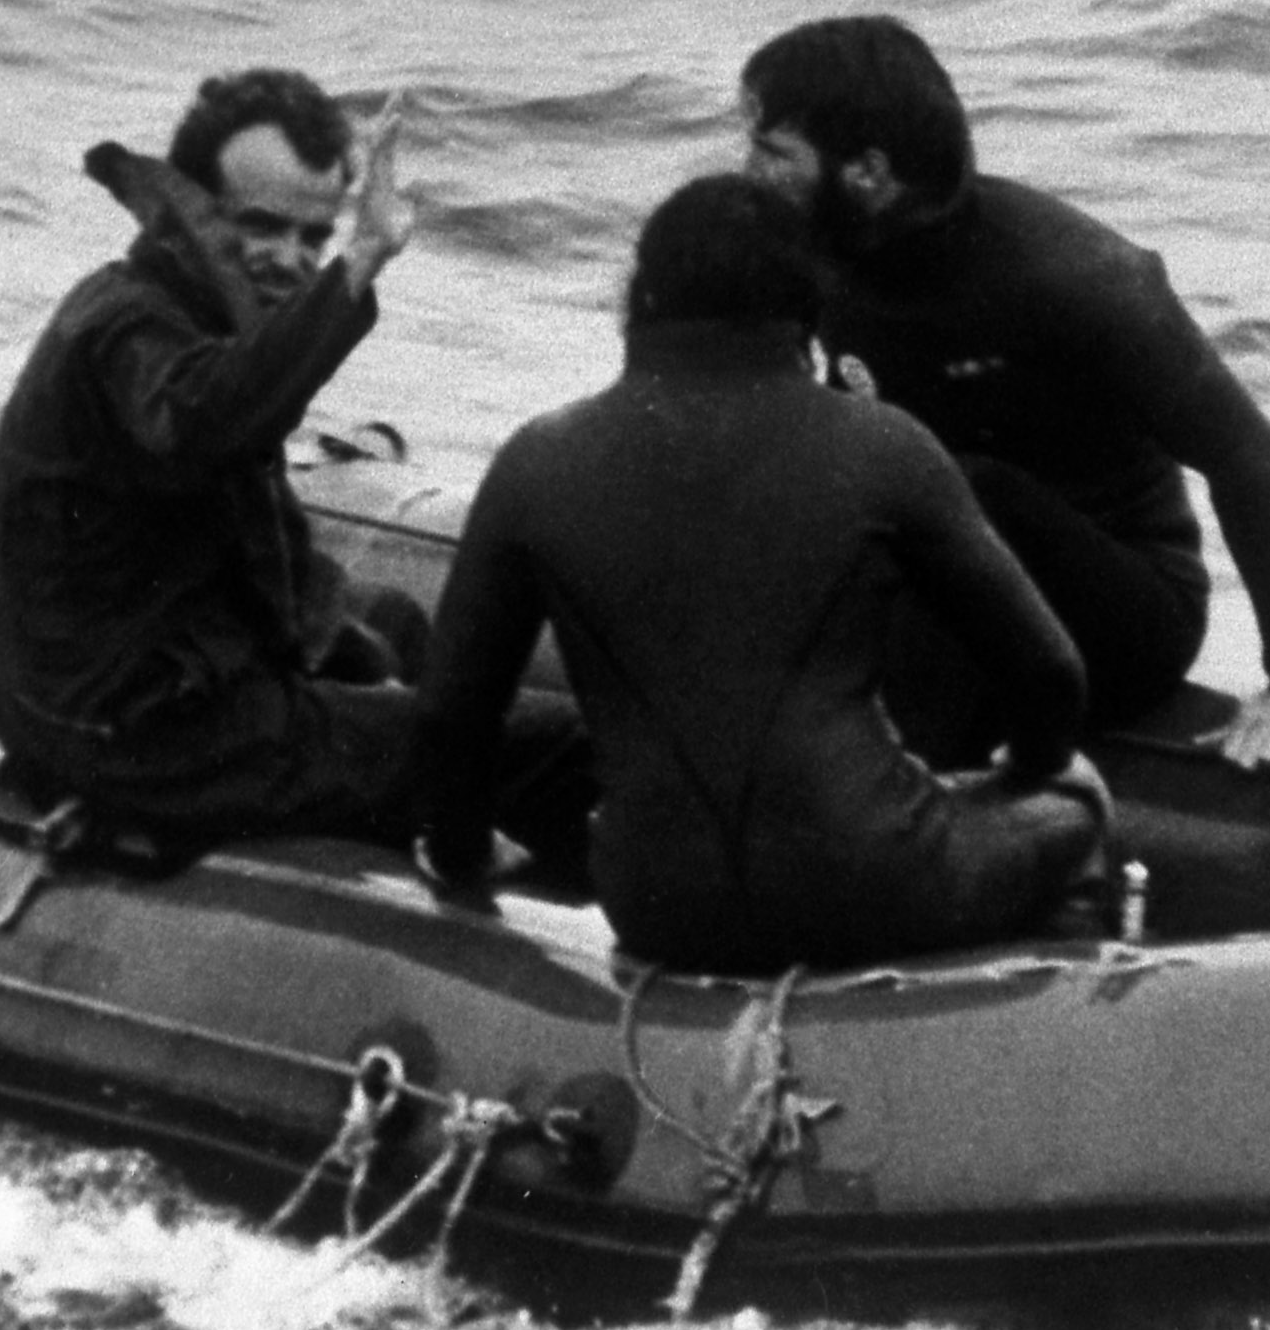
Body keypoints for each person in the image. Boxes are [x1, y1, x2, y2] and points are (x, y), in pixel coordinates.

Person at [413, 176, 1103, 973]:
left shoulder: (536, 460)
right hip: (875, 884)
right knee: (1076, 798)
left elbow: (449, 715)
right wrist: (1028, 769)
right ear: (811, 305)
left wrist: (462, 854)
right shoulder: (884, 446)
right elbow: (1051, 675)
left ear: (638, 298)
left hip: (655, 907)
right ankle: (1039, 1028)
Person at [0, 70, 585, 851]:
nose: (292, 260)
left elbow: (267, 554)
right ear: (192, 208)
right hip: (138, 733)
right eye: (263, 226)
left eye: (314, 237)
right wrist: (356, 264)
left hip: (147, 693)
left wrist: (368, 671)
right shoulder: (127, 328)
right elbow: (205, 418)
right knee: (561, 743)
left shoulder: (201, 324)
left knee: (391, 624)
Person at [739, 13, 1270, 768]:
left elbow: (1250, 456)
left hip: (1122, 616)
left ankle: (891, 806)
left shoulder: (1076, 279)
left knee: (959, 484)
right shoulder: (822, 255)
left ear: (867, 172)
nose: (748, 169)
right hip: (960, 590)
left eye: (770, 151)